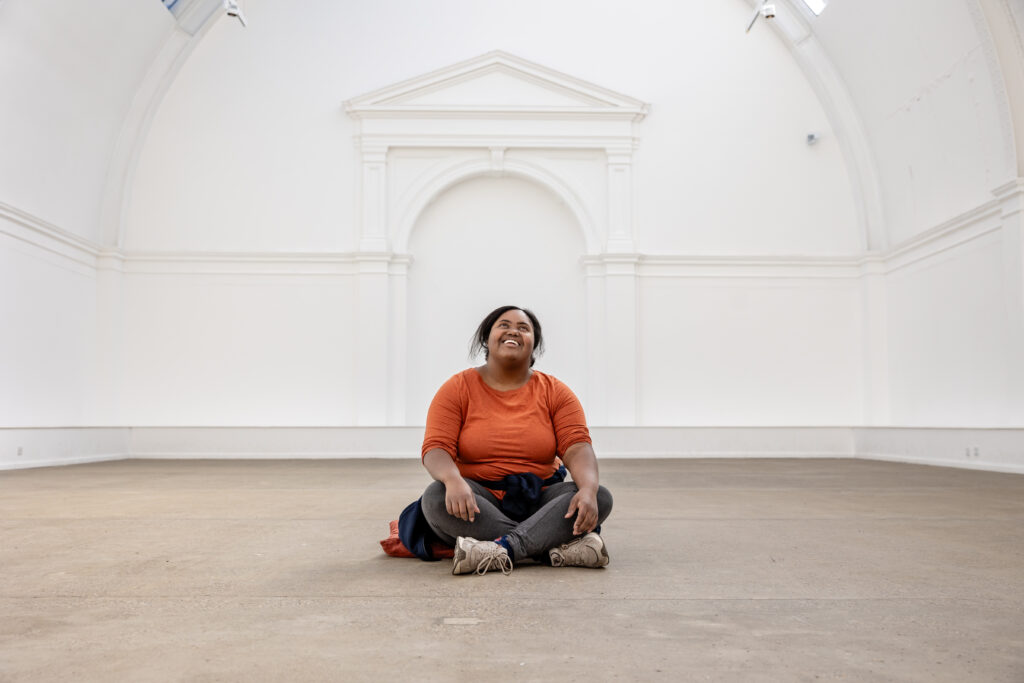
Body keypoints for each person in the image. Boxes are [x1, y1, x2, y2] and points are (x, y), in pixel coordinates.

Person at [419, 305, 614, 575]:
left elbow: (577, 447)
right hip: (479, 502)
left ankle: (504, 549)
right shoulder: (457, 387)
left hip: (540, 501)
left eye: (523, 328)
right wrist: (453, 480)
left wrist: (588, 490)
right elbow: (436, 448)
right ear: (486, 338)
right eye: (504, 325)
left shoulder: (555, 391)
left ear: (534, 345)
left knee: (599, 496)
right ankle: (549, 545)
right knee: (435, 497)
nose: (513, 331)